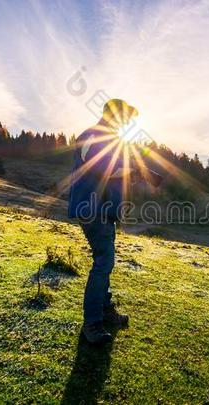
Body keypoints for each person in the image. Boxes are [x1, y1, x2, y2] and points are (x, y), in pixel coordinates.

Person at [68, 98, 161, 345]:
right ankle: (92, 323)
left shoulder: (110, 140)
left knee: (105, 262)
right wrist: (134, 170)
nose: (128, 123)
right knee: (103, 262)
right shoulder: (93, 135)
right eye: (126, 118)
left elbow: (113, 174)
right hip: (93, 209)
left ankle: (105, 310)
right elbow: (100, 167)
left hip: (104, 210)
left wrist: (131, 175)